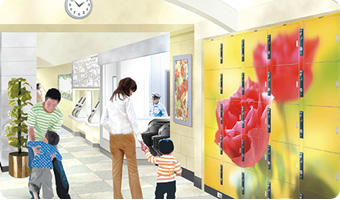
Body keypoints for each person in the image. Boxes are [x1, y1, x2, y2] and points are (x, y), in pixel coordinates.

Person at [100, 77, 143, 199]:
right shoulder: (127, 101)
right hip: (127, 138)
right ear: (127, 87)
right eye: (131, 89)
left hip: (114, 139)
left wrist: (112, 130)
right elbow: (133, 120)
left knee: (116, 170)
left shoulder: (110, 101)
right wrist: (140, 138)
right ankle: (137, 198)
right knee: (133, 171)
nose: (131, 93)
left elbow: (103, 121)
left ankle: (117, 197)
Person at [27, 88, 71, 199]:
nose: (50, 107)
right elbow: (31, 130)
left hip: (49, 141)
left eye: (54, 105)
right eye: (48, 104)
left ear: (57, 104)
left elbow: (52, 134)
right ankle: (34, 196)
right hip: (34, 141)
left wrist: (50, 151)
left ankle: (64, 195)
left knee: (58, 167)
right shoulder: (35, 109)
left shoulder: (58, 114)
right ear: (45, 100)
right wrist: (35, 149)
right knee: (35, 170)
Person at [28, 131, 62, 199]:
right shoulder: (53, 148)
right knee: (47, 184)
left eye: (44, 137)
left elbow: (29, 143)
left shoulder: (39, 143)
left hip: (36, 167)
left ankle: (35, 197)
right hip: (47, 169)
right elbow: (60, 157)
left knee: (34, 182)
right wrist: (54, 155)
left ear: (46, 139)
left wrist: (34, 147)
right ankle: (48, 197)